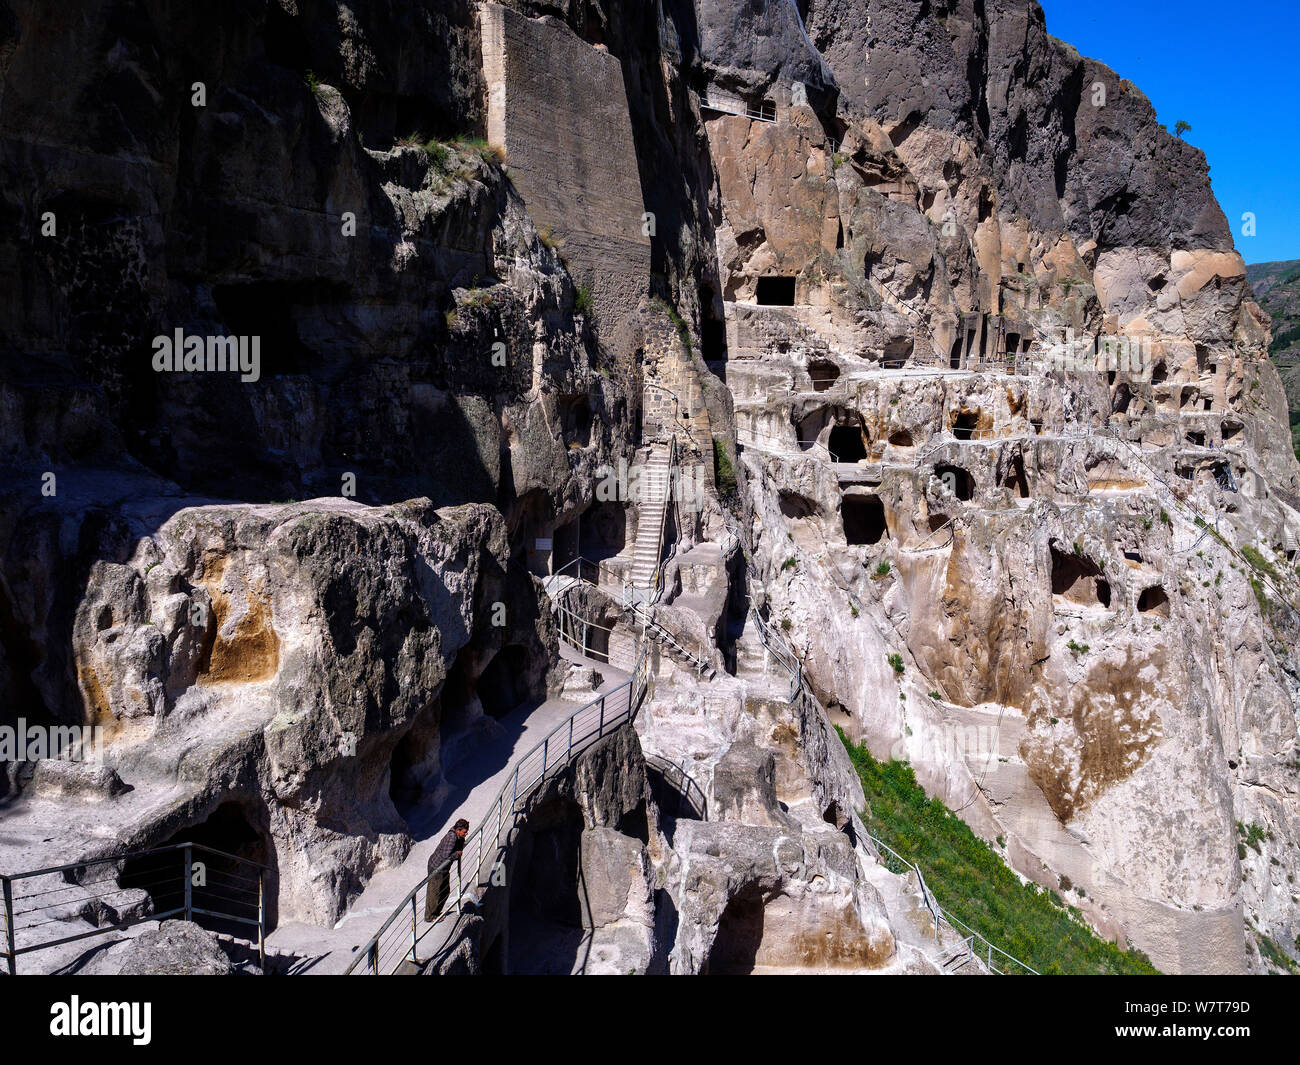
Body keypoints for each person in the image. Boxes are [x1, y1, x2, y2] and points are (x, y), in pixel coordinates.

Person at [424, 818, 470, 922]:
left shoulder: (457, 836)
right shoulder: (452, 838)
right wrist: (456, 854)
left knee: (445, 891)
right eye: (464, 832)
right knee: (434, 892)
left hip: (443, 868)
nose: (466, 834)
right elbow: (446, 856)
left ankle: (436, 913)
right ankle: (429, 916)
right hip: (437, 867)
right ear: (458, 830)